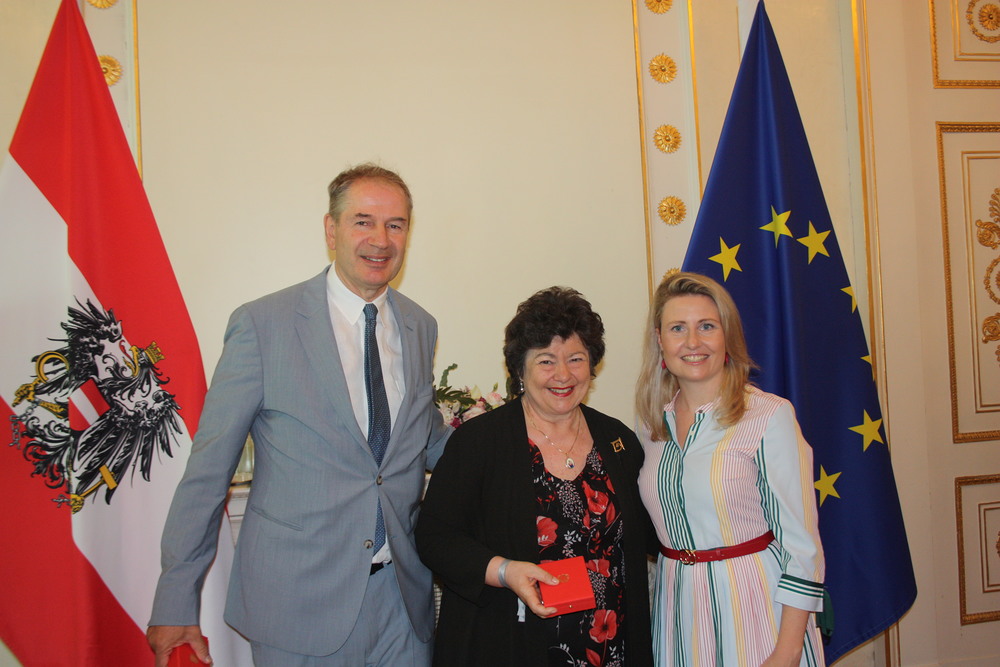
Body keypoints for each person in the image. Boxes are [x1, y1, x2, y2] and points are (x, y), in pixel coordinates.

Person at [147, 163, 451, 666]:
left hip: (402, 603)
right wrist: (176, 599)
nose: (380, 240)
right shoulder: (262, 325)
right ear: (331, 230)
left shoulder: (421, 326)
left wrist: (529, 440)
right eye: (363, 221)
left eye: (395, 225)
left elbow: (425, 438)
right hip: (298, 605)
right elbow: (208, 470)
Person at [416, 287, 654, 667]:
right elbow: (435, 538)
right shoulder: (479, 442)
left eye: (576, 359)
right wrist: (505, 571)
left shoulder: (618, 441)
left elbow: (652, 532)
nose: (563, 375)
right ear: (519, 369)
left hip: (610, 645)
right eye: (546, 361)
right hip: (509, 642)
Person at [634, 271, 825, 666]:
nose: (693, 342)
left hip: (756, 611)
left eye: (707, 326)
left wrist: (788, 651)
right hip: (678, 613)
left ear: (727, 336)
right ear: (660, 341)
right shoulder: (651, 426)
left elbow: (801, 547)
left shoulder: (768, 415)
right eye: (677, 328)